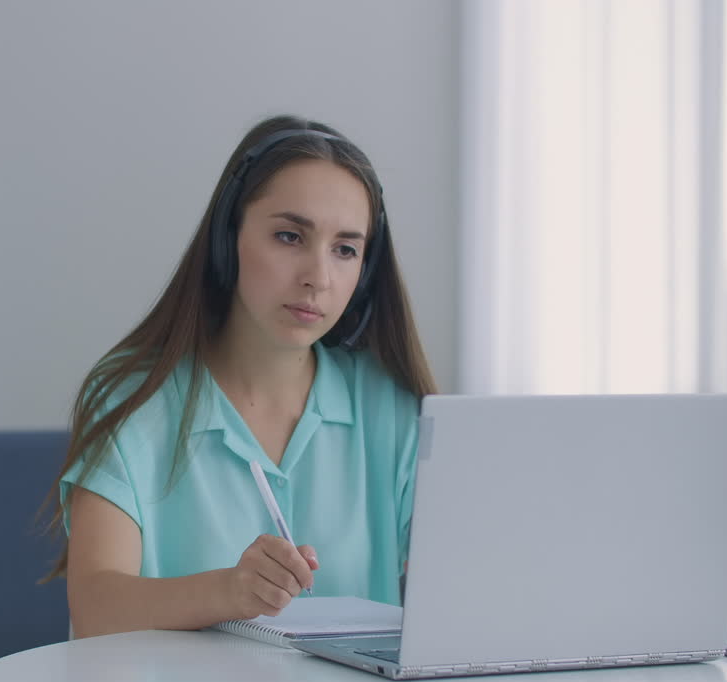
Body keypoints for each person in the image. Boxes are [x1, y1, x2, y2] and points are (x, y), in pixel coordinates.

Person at [42, 115, 437, 639]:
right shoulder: (134, 396)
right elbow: (95, 607)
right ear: (228, 241)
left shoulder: (391, 404)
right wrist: (230, 591)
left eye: (345, 249)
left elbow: (468, 588)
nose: (318, 277)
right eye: (289, 236)